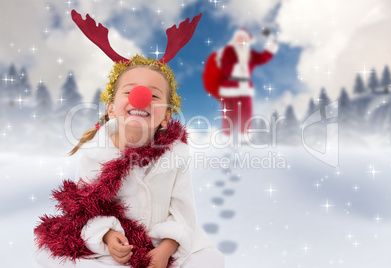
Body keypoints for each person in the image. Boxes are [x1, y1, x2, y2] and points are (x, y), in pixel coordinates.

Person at [34, 10, 224, 268]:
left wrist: (166, 249)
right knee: (52, 258)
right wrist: (109, 236)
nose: (141, 98)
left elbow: (183, 212)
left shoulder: (176, 155)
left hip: (163, 245)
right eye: (130, 92)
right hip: (113, 250)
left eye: (154, 96)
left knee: (211, 261)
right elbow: (87, 212)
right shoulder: (94, 154)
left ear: (166, 116)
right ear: (112, 108)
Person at [218, 28, 278, 139]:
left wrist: (270, 40)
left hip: (245, 88)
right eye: (239, 38)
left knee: (245, 113)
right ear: (235, 39)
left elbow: (264, 57)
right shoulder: (228, 51)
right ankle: (226, 139)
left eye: (244, 39)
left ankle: (244, 138)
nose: (241, 41)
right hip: (229, 87)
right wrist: (237, 69)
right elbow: (224, 66)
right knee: (229, 115)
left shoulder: (250, 54)